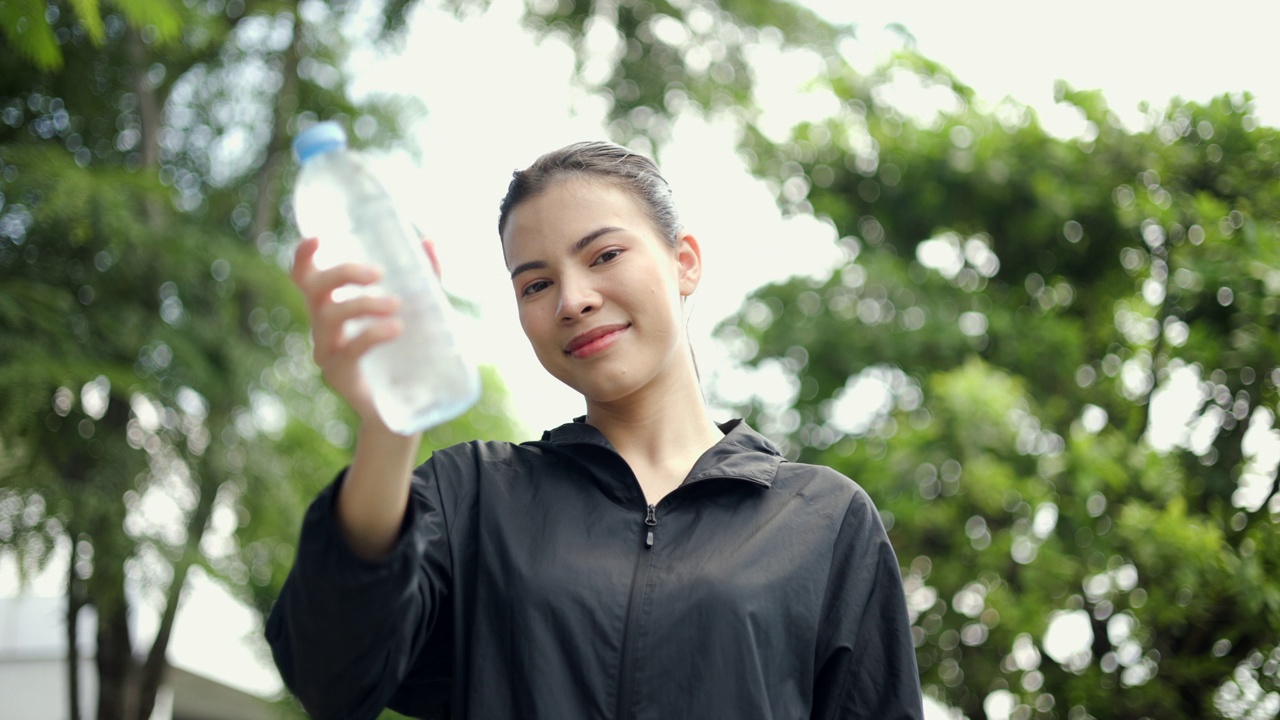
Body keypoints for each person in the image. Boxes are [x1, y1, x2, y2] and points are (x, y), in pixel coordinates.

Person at [265, 141, 924, 720]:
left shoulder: (825, 521)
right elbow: (333, 677)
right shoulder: (473, 498)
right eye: (535, 284)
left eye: (604, 254)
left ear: (684, 261)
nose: (572, 300)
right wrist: (389, 417)